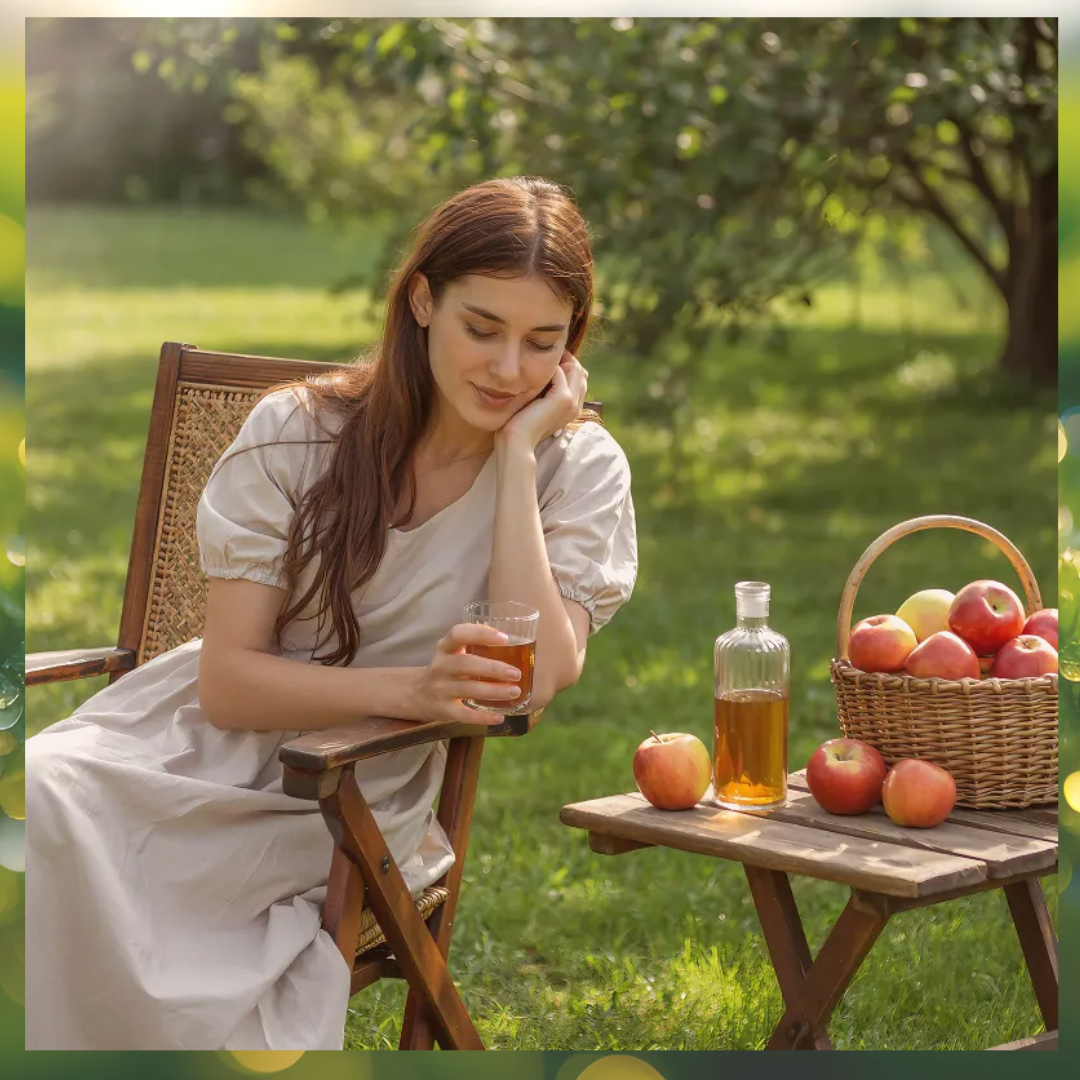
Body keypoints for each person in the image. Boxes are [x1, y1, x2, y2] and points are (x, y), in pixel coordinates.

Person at [24, 176, 638, 1050]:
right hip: (181, 742)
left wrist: (514, 459)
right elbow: (228, 685)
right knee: (37, 793)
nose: (509, 371)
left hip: (342, 791)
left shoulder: (577, 468)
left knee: (139, 914)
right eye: (482, 329)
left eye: (542, 343)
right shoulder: (297, 433)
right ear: (422, 300)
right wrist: (417, 689)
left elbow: (530, 679)